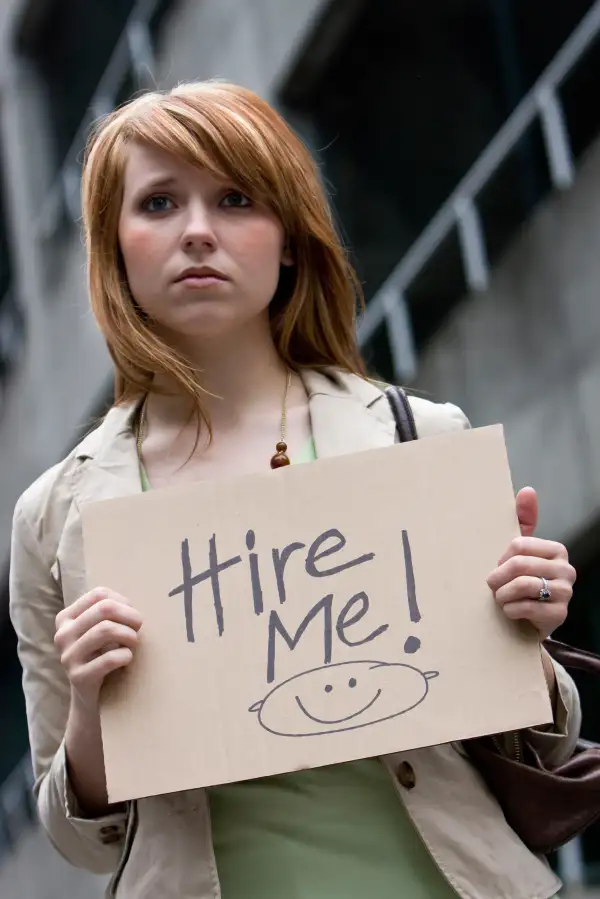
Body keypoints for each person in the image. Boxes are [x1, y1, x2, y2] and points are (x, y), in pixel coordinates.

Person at [9, 81, 579, 899]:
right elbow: (84, 842)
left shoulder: (416, 435)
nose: (198, 232)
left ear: (286, 238)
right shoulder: (55, 516)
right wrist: (94, 713)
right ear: (114, 247)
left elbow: (543, 745)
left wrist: (527, 627)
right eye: (160, 202)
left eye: (236, 198)